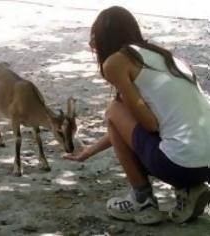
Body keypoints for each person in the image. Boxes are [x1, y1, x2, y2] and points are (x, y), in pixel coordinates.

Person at [65, 6, 210, 225]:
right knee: (124, 114)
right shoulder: (164, 56)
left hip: (179, 164)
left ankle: (143, 200)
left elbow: (148, 125)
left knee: (113, 109)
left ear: (106, 37)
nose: (91, 45)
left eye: (93, 38)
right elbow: (129, 128)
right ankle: (188, 190)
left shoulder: (115, 62)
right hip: (204, 165)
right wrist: (89, 151)